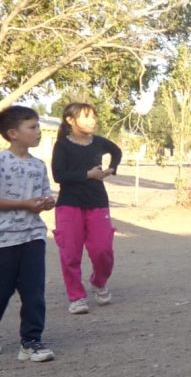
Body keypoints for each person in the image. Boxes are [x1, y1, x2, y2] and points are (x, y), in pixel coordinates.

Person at [50, 103, 122, 315]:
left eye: (93, 116)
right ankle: (76, 297)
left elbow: (116, 151)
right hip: (69, 204)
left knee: (103, 250)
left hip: (97, 202)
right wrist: (87, 174)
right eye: (86, 117)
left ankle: (99, 282)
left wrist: (111, 169)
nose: (92, 121)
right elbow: (59, 175)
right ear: (70, 120)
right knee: (70, 253)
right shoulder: (62, 145)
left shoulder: (98, 142)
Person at [0, 106, 56, 362]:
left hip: (33, 236)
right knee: (3, 290)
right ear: (13, 133)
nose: (38, 132)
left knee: (34, 291)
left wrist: (47, 202)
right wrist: (24, 204)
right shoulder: (2, 162)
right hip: (5, 238)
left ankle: (31, 341)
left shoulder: (38, 165)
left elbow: (45, 193)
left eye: (38, 126)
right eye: (32, 127)